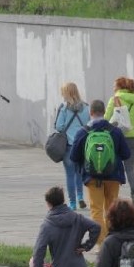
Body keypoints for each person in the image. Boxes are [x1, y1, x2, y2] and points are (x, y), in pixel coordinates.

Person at [71, 99, 131, 246]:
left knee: (96, 210)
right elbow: (126, 154)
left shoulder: (83, 131)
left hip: (92, 177)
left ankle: (101, 245)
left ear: (91, 113)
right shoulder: (115, 131)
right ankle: (113, 241)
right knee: (112, 210)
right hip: (113, 176)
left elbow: (73, 156)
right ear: (104, 112)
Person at [105, 77, 134, 207]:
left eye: (114, 85)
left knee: (114, 166)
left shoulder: (114, 99)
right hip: (131, 139)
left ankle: (113, 196)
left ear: (119, 86)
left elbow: (106, 118)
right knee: (130, 168)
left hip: (116, 138)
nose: (113, 87)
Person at [54, 82, 88, 210]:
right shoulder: (85, 107)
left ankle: (72, 203)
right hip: (81, 145)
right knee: (79, 172)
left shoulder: (63, 108)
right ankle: (80, 197)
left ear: (66, 93)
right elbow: (87, 124)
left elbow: (58, 126)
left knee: (69, 174)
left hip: (68, 145)